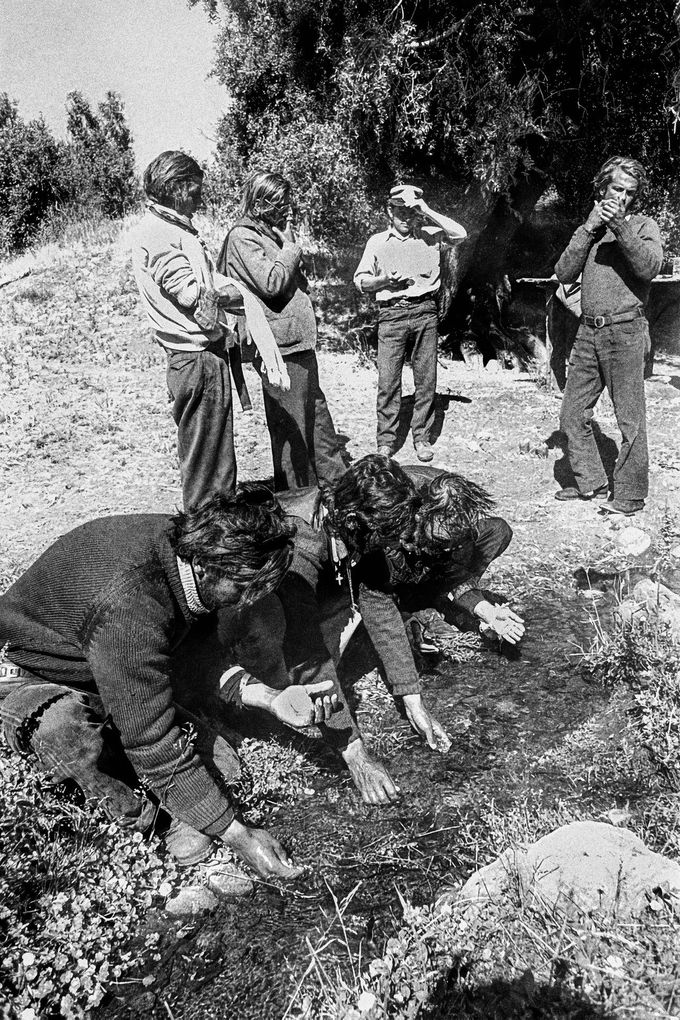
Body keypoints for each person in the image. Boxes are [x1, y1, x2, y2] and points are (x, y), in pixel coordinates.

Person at [0, 488, 340, 880]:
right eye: (244, 588)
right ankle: (155, 825)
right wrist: (240, 835)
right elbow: (153, 743)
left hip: (101, 666)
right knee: (68, 735)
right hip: (26, 674)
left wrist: (271, 698)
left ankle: (133, 743)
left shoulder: (191, 552)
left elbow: (199, 659)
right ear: (208, 567)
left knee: (227, 771)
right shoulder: (130, 604)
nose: (247, 602)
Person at [321, 456, 524, 737]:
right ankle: (414, 609)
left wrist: (487, 611)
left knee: (497, 531)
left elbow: (454, 571)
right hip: (384, 566)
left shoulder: (451, 517)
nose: (443, 548)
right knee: (385, 578)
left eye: (448, 543)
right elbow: (376, 601)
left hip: (422, 555)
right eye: (438, 542)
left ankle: (432, 601)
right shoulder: (389, 520)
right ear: (420, 514)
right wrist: (410, 696)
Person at [131, 152, 289, 509]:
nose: (201, 196)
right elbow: (194, 297)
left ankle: (220, 532)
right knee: (206, 464)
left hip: (202, 359)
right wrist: (242, 296)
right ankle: (204, 539)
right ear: (177, 188)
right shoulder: (159, 234)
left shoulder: (172, 229)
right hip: (196, 361)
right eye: (196, 189)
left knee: (217, 458)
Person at [218, 170, 346, 491]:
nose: (287, 210)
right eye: (279, 204)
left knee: (319, 428)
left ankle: (341, 496)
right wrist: (290, 250)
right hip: (279, 351)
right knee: (292, 439)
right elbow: (271, 284)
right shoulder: (242, 237)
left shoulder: (269, 233)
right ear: (259, 204)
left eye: (287, 203)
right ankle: (296, 510)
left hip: (297, 345)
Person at [554, 156, 663, 515]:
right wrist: (588, 229)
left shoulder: (644, 226)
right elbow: (564, 272)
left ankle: (630, 495)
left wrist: (621, 227)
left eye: (631, 193)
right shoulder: (590, 229)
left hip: (627, 331)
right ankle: (592, 482)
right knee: (572, 414)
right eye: (617, 189)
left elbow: (649, 268)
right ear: (602, 189)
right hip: (588, 332)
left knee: (630, 419)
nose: (623, 198)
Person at [353, 185, 467, 462]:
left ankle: (422, 437)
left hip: (424, 312)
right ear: (389, 212)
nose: (405, 217)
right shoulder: (377, 242)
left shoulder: (430, 236)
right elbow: (361, 281)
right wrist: (384, 282)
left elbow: (461, 234)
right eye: (399, 211)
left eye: (410, 212)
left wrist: (425, 209)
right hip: (391, 314)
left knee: (426, 379)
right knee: (388, 381)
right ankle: (387, 441)